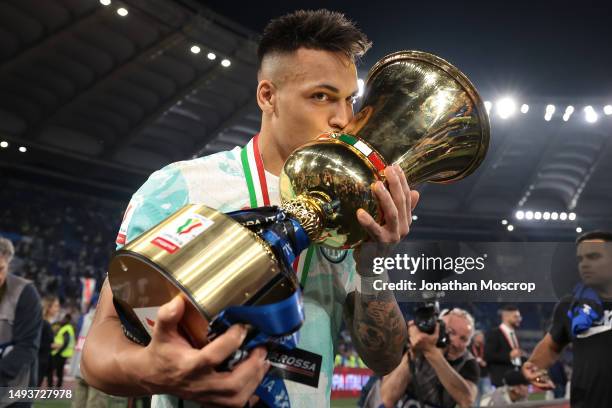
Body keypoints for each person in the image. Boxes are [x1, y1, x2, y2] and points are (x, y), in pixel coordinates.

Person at [82, 9, 419, 408]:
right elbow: (100, 345)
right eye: (321, 96)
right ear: (268, 95)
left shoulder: (353, 212)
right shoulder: (181, 186)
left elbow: (385, 358)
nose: (343, 118)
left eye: (349, 100)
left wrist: (372, 264)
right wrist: (152, 369)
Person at [522, 230, 612, 407]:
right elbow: (551, 345)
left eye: (593, 257)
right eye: (581, 259)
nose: (584, 264)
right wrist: (533, 365)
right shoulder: (570, 306)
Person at [380, 308, 479, 408]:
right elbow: (388, 399)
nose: (456, 343)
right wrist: (413, 353)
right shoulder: (412, 342)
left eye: (463, 339)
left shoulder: (468, 363)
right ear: (438, 330)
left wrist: (431, 352)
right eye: (451, 332)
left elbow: (467, 401)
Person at [0, 236, 43, 408]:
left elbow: (27, 347)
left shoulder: (25, 293)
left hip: (16, 393)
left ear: (8, 264)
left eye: (1, 269)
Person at [484, 304, 524, 386]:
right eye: (516, 317)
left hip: (516, 379)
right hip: (501, 380)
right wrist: (509, 356)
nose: (519, 319)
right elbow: (488, 356)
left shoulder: (515, 334)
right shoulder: (494, 333)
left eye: (519, 317)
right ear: (506, 317)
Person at [37, 294, 59, 387]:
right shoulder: (42, 322)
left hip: (44, 361)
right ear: (48, 307)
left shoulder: (47, 323)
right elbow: (36, 343)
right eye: (56, 306)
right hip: (37, 362)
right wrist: (52, 345)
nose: (58, 309)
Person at [50, 313, 75, 388]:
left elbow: (65, 342)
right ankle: (57, 387)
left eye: (64, 318)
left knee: (55, 371)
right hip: (63, 353)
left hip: (60, 353)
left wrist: (58, 352)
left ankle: (55, 388)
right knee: (58, 372)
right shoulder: (68, 328)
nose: (62, 320)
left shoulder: (66, 328)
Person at [470, 330, 491, 405]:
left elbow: (490, 358)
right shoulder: (469, 347)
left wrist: (485, 362)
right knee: (476, 396)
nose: (481, 338)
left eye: (482, 337)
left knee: (487, 395)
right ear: (474, 338)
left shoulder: (486, 347)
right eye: (479, 336)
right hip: (474, 376)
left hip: (485, 375)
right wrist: (477, 361)